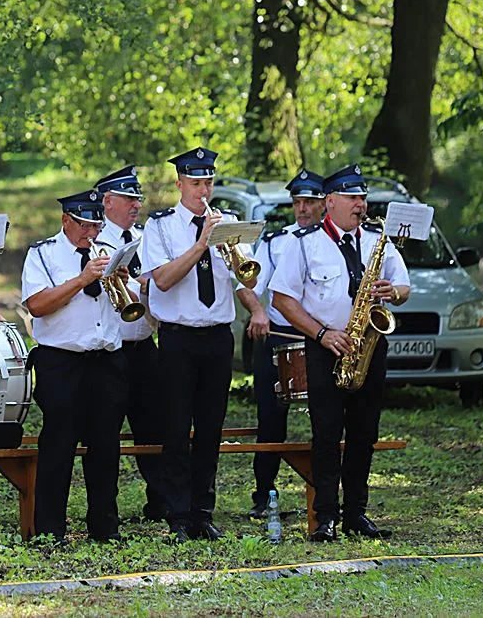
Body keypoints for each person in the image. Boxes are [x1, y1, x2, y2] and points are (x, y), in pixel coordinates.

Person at [270, 164, 411, 541]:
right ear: (329, 201)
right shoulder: (305, 243)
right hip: (325, 347)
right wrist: (321, 333)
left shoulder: (377, 240)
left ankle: (356, 513)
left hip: (369, 345)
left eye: (362, 198)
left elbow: (404, 287)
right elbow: (282, 299)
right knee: (327, 434)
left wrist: (391, 293)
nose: (360, 205)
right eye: (352, 198)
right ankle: (326, 516)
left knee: (364, 434)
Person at [140, 146, 257, 543]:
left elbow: (249, 279)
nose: (203, 190)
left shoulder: (229, 225)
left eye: (208, 182)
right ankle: (177, 513)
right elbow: (164, 280)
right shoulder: (160, 226)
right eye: (196, 183)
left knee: (210, 428)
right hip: (177, 338)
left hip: (217, 337)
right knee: (175, 427)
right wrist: (200, 244)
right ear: (180, 184)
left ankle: (203, 512)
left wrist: (227, 245)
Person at [21, 190, 131, 544]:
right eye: (83, 224)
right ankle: (50, 529)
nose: (91, 232)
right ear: (66, 220)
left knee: (106, 446)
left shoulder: (108, 252)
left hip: (107, 360)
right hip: (62, 361)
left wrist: (121, 280)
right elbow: (37, 305)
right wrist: (82, 280)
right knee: (58, 446)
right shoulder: (44, 254)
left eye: (96, 224)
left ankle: (105, 525)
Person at [245, 170, 327, 519]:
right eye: (297, 202)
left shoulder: (336, 241)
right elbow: (247, 284)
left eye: (309, 201)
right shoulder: (277, 240)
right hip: (281, 337)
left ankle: (329, 494)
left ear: (326, 203)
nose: (302, 209)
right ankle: (263, 495)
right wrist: (258, 310)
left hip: (325, 339)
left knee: (328, 419)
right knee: (270, 418)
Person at [93, 165, 168, 522]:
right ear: (107, 202)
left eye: (137, 198)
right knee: (106, 430)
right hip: (112, 349)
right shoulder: (95, 241)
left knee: (154, 426)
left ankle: (160, 501)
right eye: (128, 199)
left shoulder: (143, 237)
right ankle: (106, 509)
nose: (135, 205)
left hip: (144, 344)